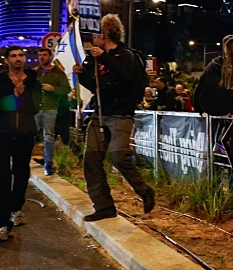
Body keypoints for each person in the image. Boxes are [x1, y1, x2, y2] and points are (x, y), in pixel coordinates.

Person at [73, 14, 156, 221]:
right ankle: (103, 206)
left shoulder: (125, 55)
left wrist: (103, 57)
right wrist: (82, 74)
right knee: (91, 160)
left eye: (96, 33)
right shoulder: (97, 59)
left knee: (119, 156)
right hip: (100, 114)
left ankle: (144, 191)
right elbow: (97, 88)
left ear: (105, 34)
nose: (93, 37)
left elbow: (126, 75)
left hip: (120, 114)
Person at [0, 46, 42, 243]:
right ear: (7, 60)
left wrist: (22, 95)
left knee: (21, 175)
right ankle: (3, 225)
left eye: (21, 55)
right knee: (1, 179)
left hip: (24, 135)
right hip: (0, 134)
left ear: (25, 59)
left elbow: (35, 108)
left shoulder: (34, 83)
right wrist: (14, 97)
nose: (18, 59)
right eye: (14, 56)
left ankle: (16, 208)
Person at [33, 47, 72, 175]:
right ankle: (21, 161)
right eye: (39, 55)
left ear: (50, 56)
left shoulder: (58, 73)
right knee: (28, 136)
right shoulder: (34, 73)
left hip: (50, 108)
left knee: (49, 137)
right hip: (35, 108)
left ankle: (48, 164)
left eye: (44, 55)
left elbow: (66, 89)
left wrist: (53, 88)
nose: (41, 57)